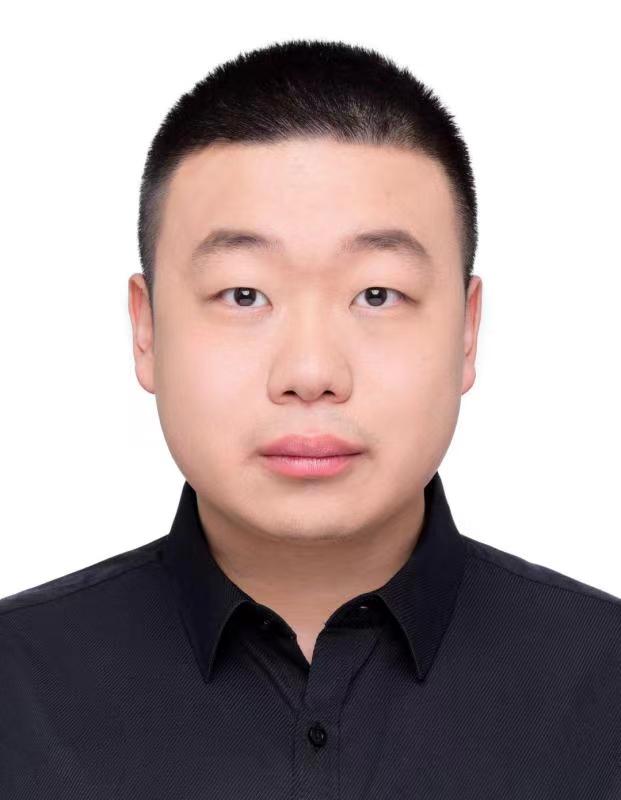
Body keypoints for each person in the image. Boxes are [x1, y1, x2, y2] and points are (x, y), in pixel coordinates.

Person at [1, 38, 619, 798]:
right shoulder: (17, 688)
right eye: (244, 295)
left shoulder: (602, 684)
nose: (310, 373)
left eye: (376, 295)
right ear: (147, 330)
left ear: (466, 332)